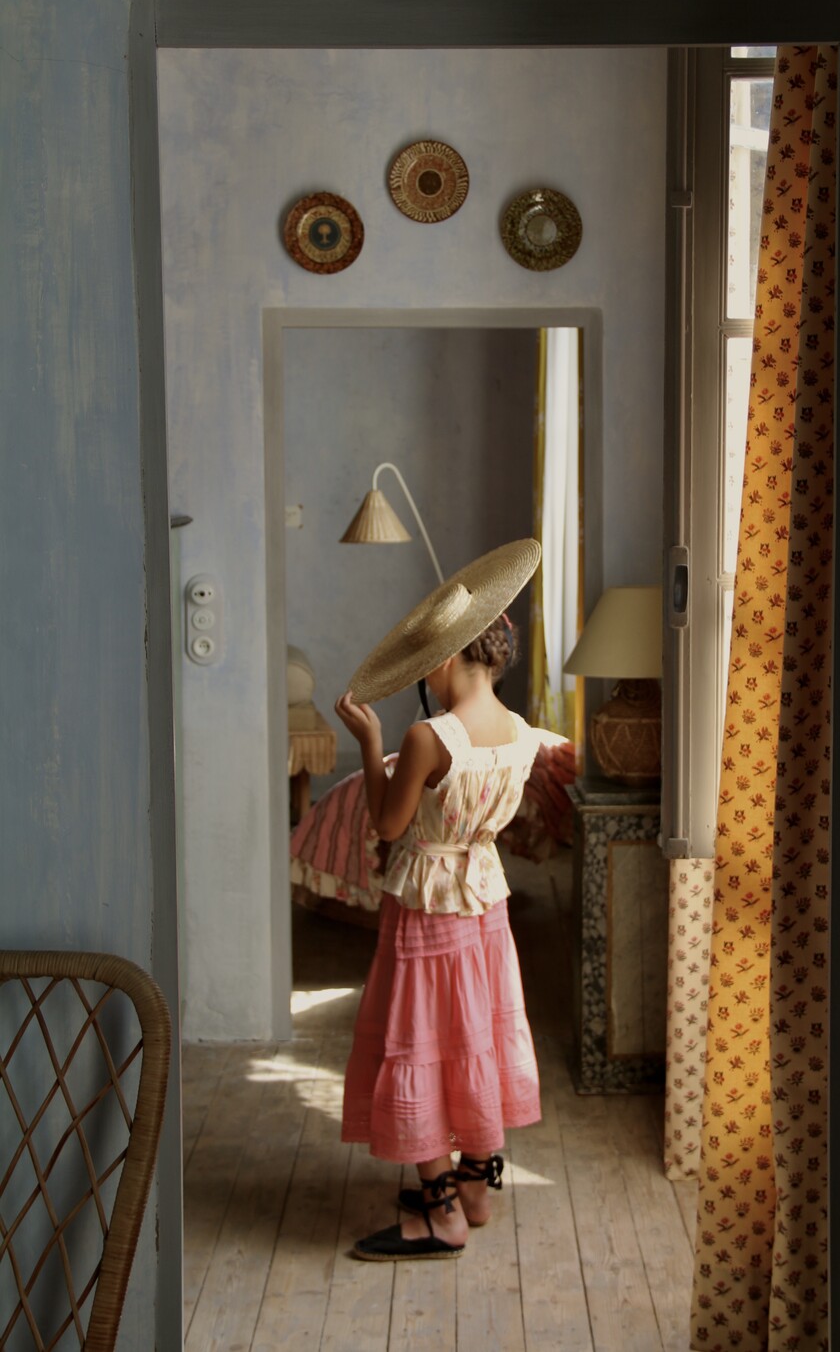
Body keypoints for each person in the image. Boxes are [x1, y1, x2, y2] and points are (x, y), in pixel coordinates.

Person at [333, 539, 544, 1262]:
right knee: (475, 1036)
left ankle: (442, 1214)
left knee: (420, 1040)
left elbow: (388, 825)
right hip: (484, 904)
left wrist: (370, 743)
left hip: (427, 906)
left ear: (448, 658)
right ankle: (476, 1190)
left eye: (427, 658)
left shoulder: (428, 736)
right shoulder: (519, 731)